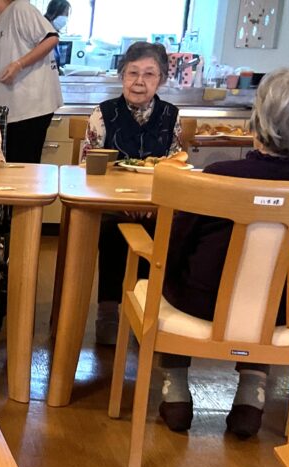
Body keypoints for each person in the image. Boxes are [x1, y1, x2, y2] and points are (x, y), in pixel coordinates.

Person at [157, 67, 289, 439]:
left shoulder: (217, 176)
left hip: (202, 304)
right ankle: (252, 392)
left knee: (174, 270)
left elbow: (176, 247)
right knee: (275, 287)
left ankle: (175, 386)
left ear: (258, 119)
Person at [83, 42, 182, 345]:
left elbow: (176, 167)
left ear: (161, 79)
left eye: (149, 74)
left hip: (156, 202)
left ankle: (151, 309)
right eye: (132, 73)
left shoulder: (171, 115)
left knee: (168, 228)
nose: (139, 81)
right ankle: (108, 312)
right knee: (114, 230)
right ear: (122, 76)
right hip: (111, 202)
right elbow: (87, 167)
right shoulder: (103, 114)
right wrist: (120, 199)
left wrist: (154, 202)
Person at [0, 0, 62, 164]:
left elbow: (51, 38)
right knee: (12, 164)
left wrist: (19, 64)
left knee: (24, 165)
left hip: (32, 107)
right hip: (12, 111)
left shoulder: (20, 8)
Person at [43, 0, 71, 73]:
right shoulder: (43, 34)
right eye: (64, 14)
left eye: (67, 15)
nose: (65, 18)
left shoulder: (53, 34)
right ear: (52, 13)